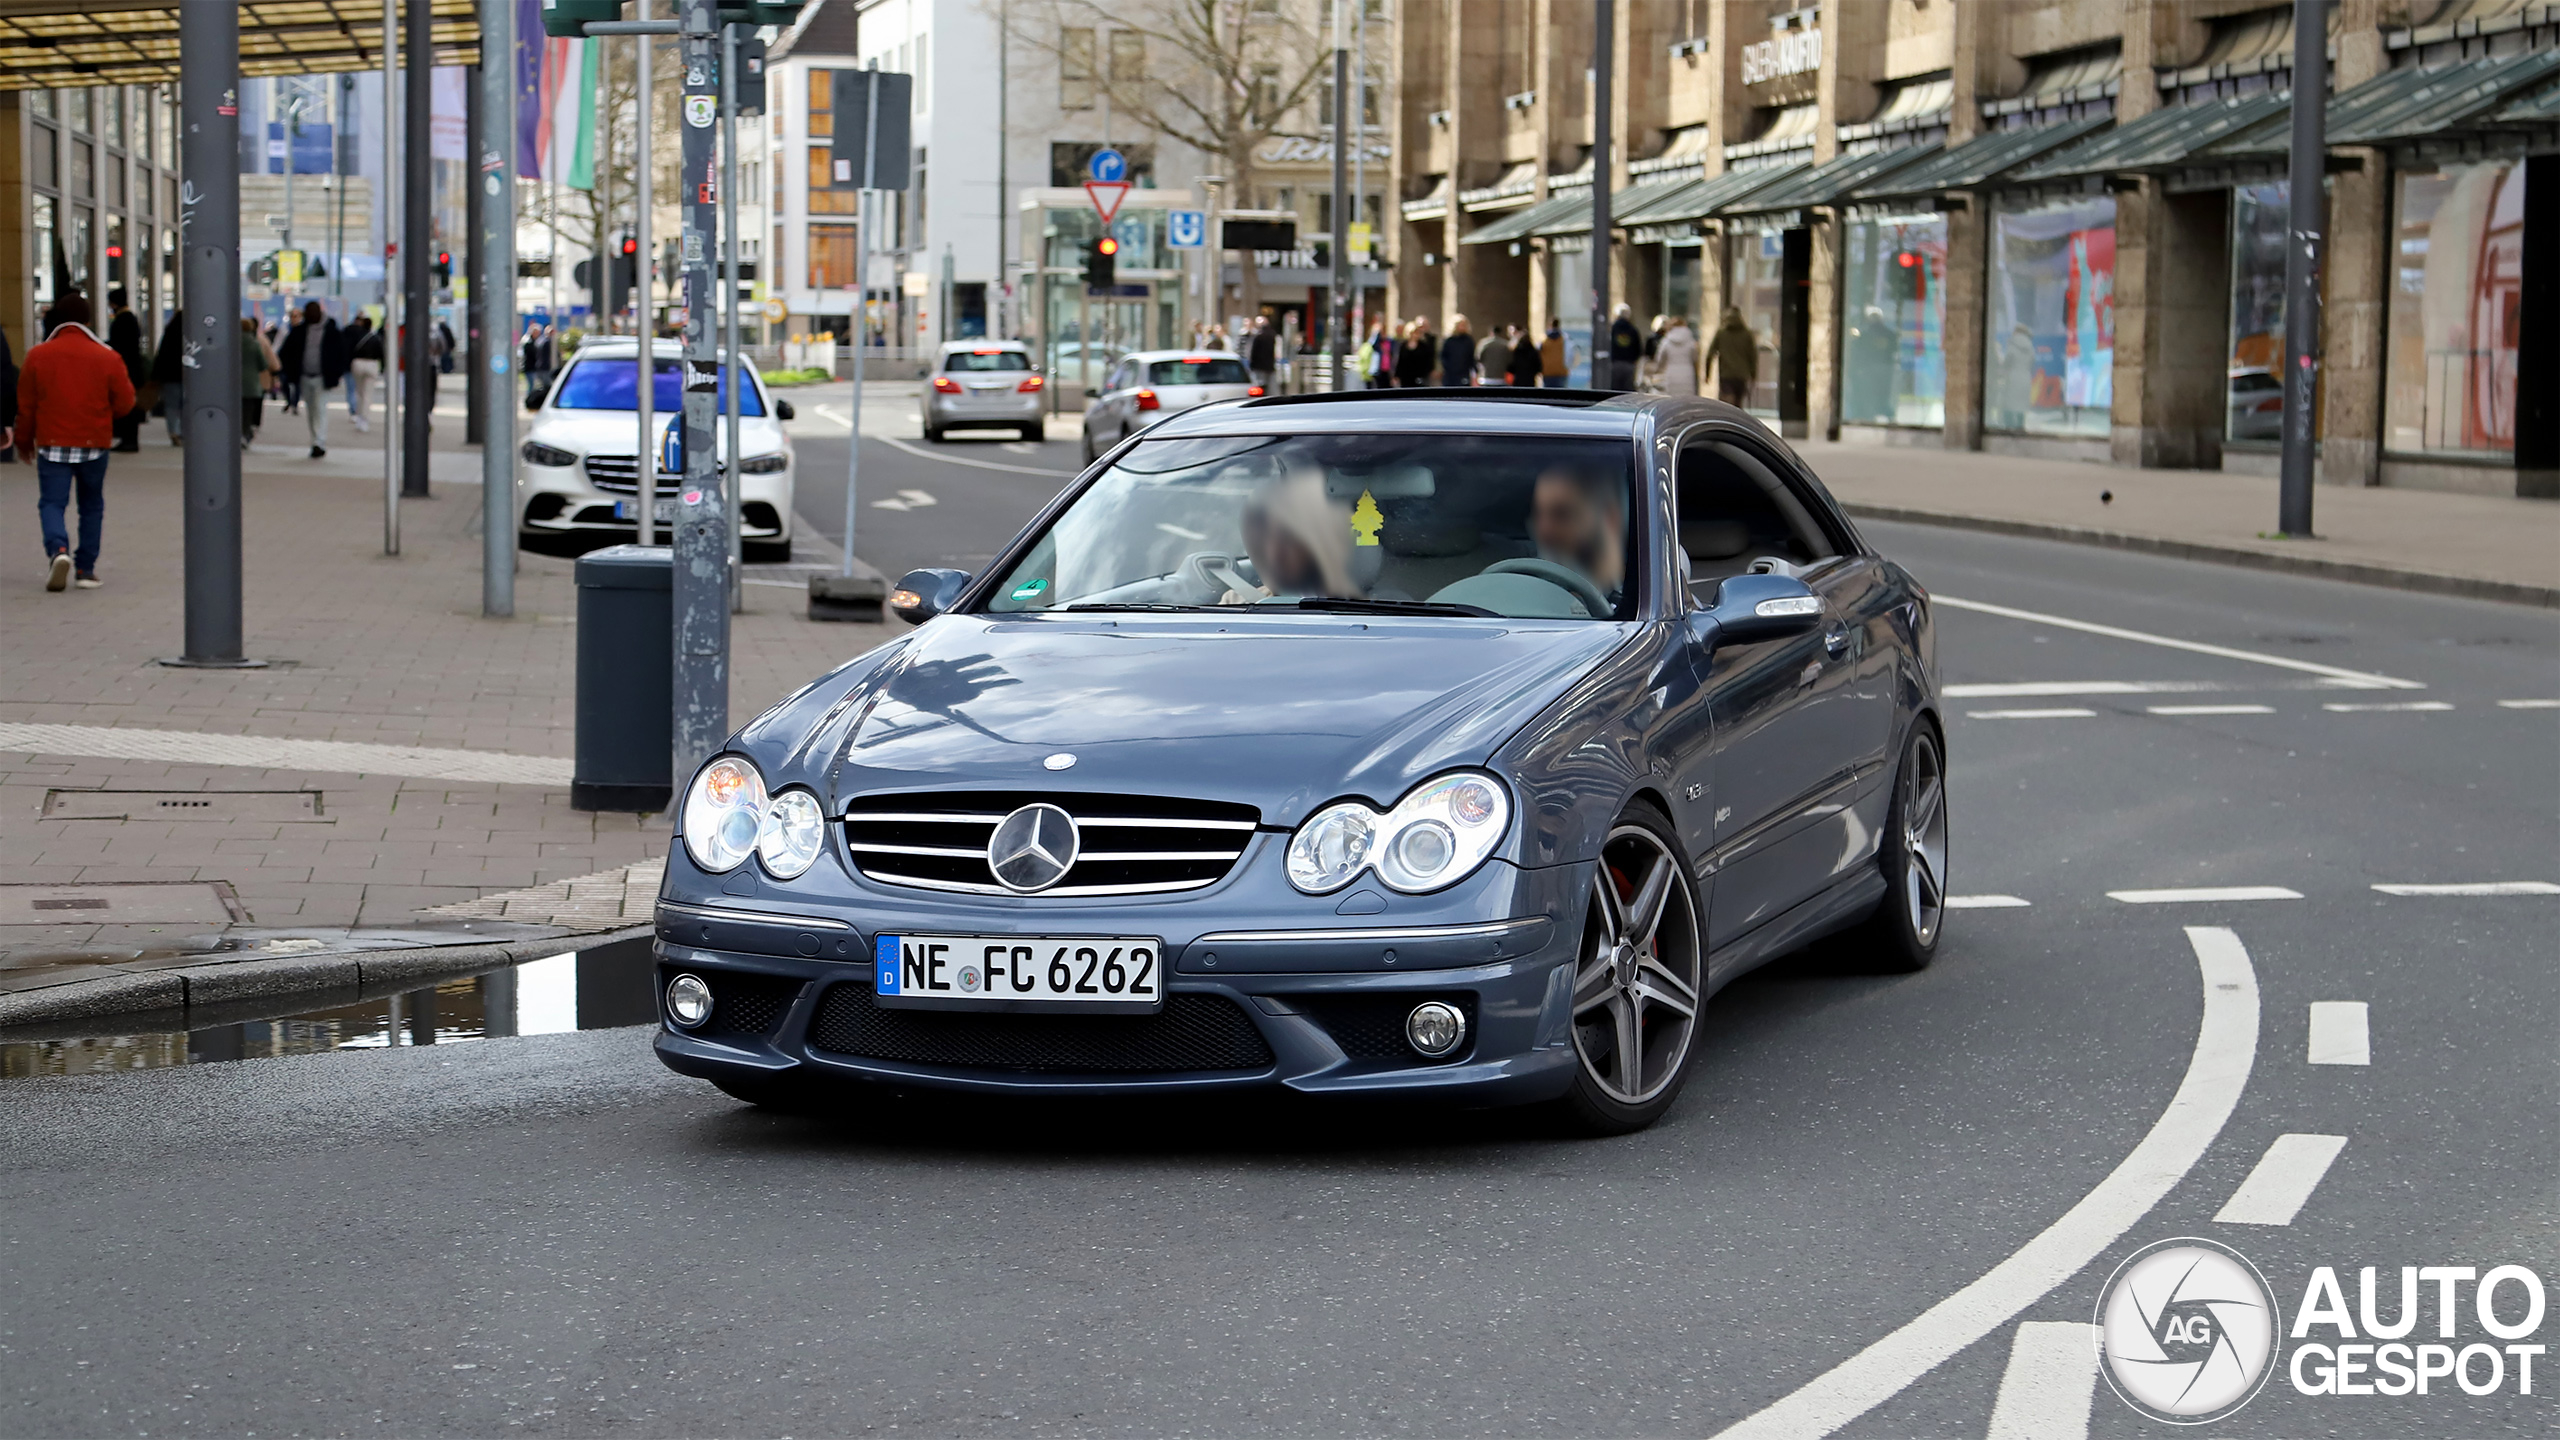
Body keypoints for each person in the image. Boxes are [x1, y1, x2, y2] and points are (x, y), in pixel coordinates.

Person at [20, 293, 135, 591]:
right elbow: (125, 403)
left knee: (52, 502)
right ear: (88, 319)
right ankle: (85, 569)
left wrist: (22, 442)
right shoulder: (108, 356)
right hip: (94, 443)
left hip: (52, 443)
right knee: (91, 505)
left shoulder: (37, 355)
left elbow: (26, 406)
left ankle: (58, 550)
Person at [1529, 463, 1625, 609]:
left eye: (1562, 514)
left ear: (1609, 518)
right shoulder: (1526, 597)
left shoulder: (1647, 600)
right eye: (1539, 514)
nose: (1544, 531)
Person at [278, 301, 343, 458]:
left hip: (322, 377)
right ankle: (315, 439)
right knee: (311, 409)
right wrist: (290, 372)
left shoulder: (331, 331)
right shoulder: (299, 331)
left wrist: (336, 373)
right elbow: (286, 352)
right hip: (304, 376)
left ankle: (319, 442)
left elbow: (340, 354)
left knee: (319, 409)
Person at [105, 288, 146, 451]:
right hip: (133, 368)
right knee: (130, 403)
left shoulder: (123, 320)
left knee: (127, 404)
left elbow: (119, 345)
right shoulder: (129, 318)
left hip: (127, 369)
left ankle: (128, 439)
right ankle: (129, 439)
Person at [1709, 306, 1758, 407]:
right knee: (1738, 402)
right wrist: (1753, 374)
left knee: (1727, 400)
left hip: (1726, 373)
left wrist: (1707, 373)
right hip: (1742, 374)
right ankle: (1737, 420)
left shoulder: (1721, 333)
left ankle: (1728, 420)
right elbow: (1752, 356)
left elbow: (1710, 353)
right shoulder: (1747, 334)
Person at [240, 316, 274, 448]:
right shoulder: (255, 344)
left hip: (234, 385)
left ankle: (237, 433)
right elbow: (263, 364)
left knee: (236, 410)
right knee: (248, 411)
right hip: (251, 384)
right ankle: (245, 433)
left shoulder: (231, 343)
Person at [150, 311, 183, 443]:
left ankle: (173, 431)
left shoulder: (170, 333)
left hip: (170, 376)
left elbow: (161, 355)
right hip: (188, 377)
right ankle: (184, 432)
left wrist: (155, 375)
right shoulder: (192, 335)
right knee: (186, 405)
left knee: (171, 405)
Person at [344, 315, 381, 431]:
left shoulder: (356, 336)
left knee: (358, 392)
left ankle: (358, 416)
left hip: (358, 363)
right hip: (372, 364)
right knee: (367, 394)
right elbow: (381, 353)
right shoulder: (375, 337)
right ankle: (365, 419)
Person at [1654, 313, 1699, 398]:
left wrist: (1657, 370)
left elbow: (1660, 359)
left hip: (1671, 373)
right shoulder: (1690, 341)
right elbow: (1695, 358)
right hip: (1687, 372)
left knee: (1672, 399)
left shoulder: (1666, 341)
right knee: (1687, 399)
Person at [1607, 303, 1642, 392]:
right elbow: (1638, 348)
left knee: (1614, 389)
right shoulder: (1633, 330)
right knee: (1627, 392)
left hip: (1614, 363)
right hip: (1629, 364)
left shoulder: (1612, 329)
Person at [1394, 318, 1435, 387]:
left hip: (1420, 377)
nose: (1414, 335)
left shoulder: (1424, 346)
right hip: (1406, 377)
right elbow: (1399, 361)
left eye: (1417, 332)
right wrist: (1396, 375)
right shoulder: (1403, 346)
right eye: (1412, 333)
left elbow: (1428, 361)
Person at [1438, 314, 1476, 388]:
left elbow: (1471, 357)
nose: (1462, 327)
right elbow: (1443, 356)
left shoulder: (1468, 340)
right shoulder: (1449, 340)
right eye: (1460, 325)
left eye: (1464, 325)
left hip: (1464, 373)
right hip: (1450, 374)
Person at [1244, 316, 1278, 393]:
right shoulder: (1272, 335)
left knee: (1259, 386)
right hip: (1270, 365)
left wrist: (1251, 364)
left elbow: (1253, 351)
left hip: (1259, 365)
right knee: (1271, 387)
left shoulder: (1258, 336)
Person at [1477, 325, 1511, 390]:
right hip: (1500, 377)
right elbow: (1509, 360)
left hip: (1486, 377)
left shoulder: (1484, 343)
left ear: (1490, 332)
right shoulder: (1505, 345)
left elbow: (1478, 357)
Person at [1539, 319, 1568, 388]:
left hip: (1547, 371)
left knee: (1548, 394)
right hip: (1561, 371)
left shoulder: (1544, 339)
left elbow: (1538, 353)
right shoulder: (1564, 339)